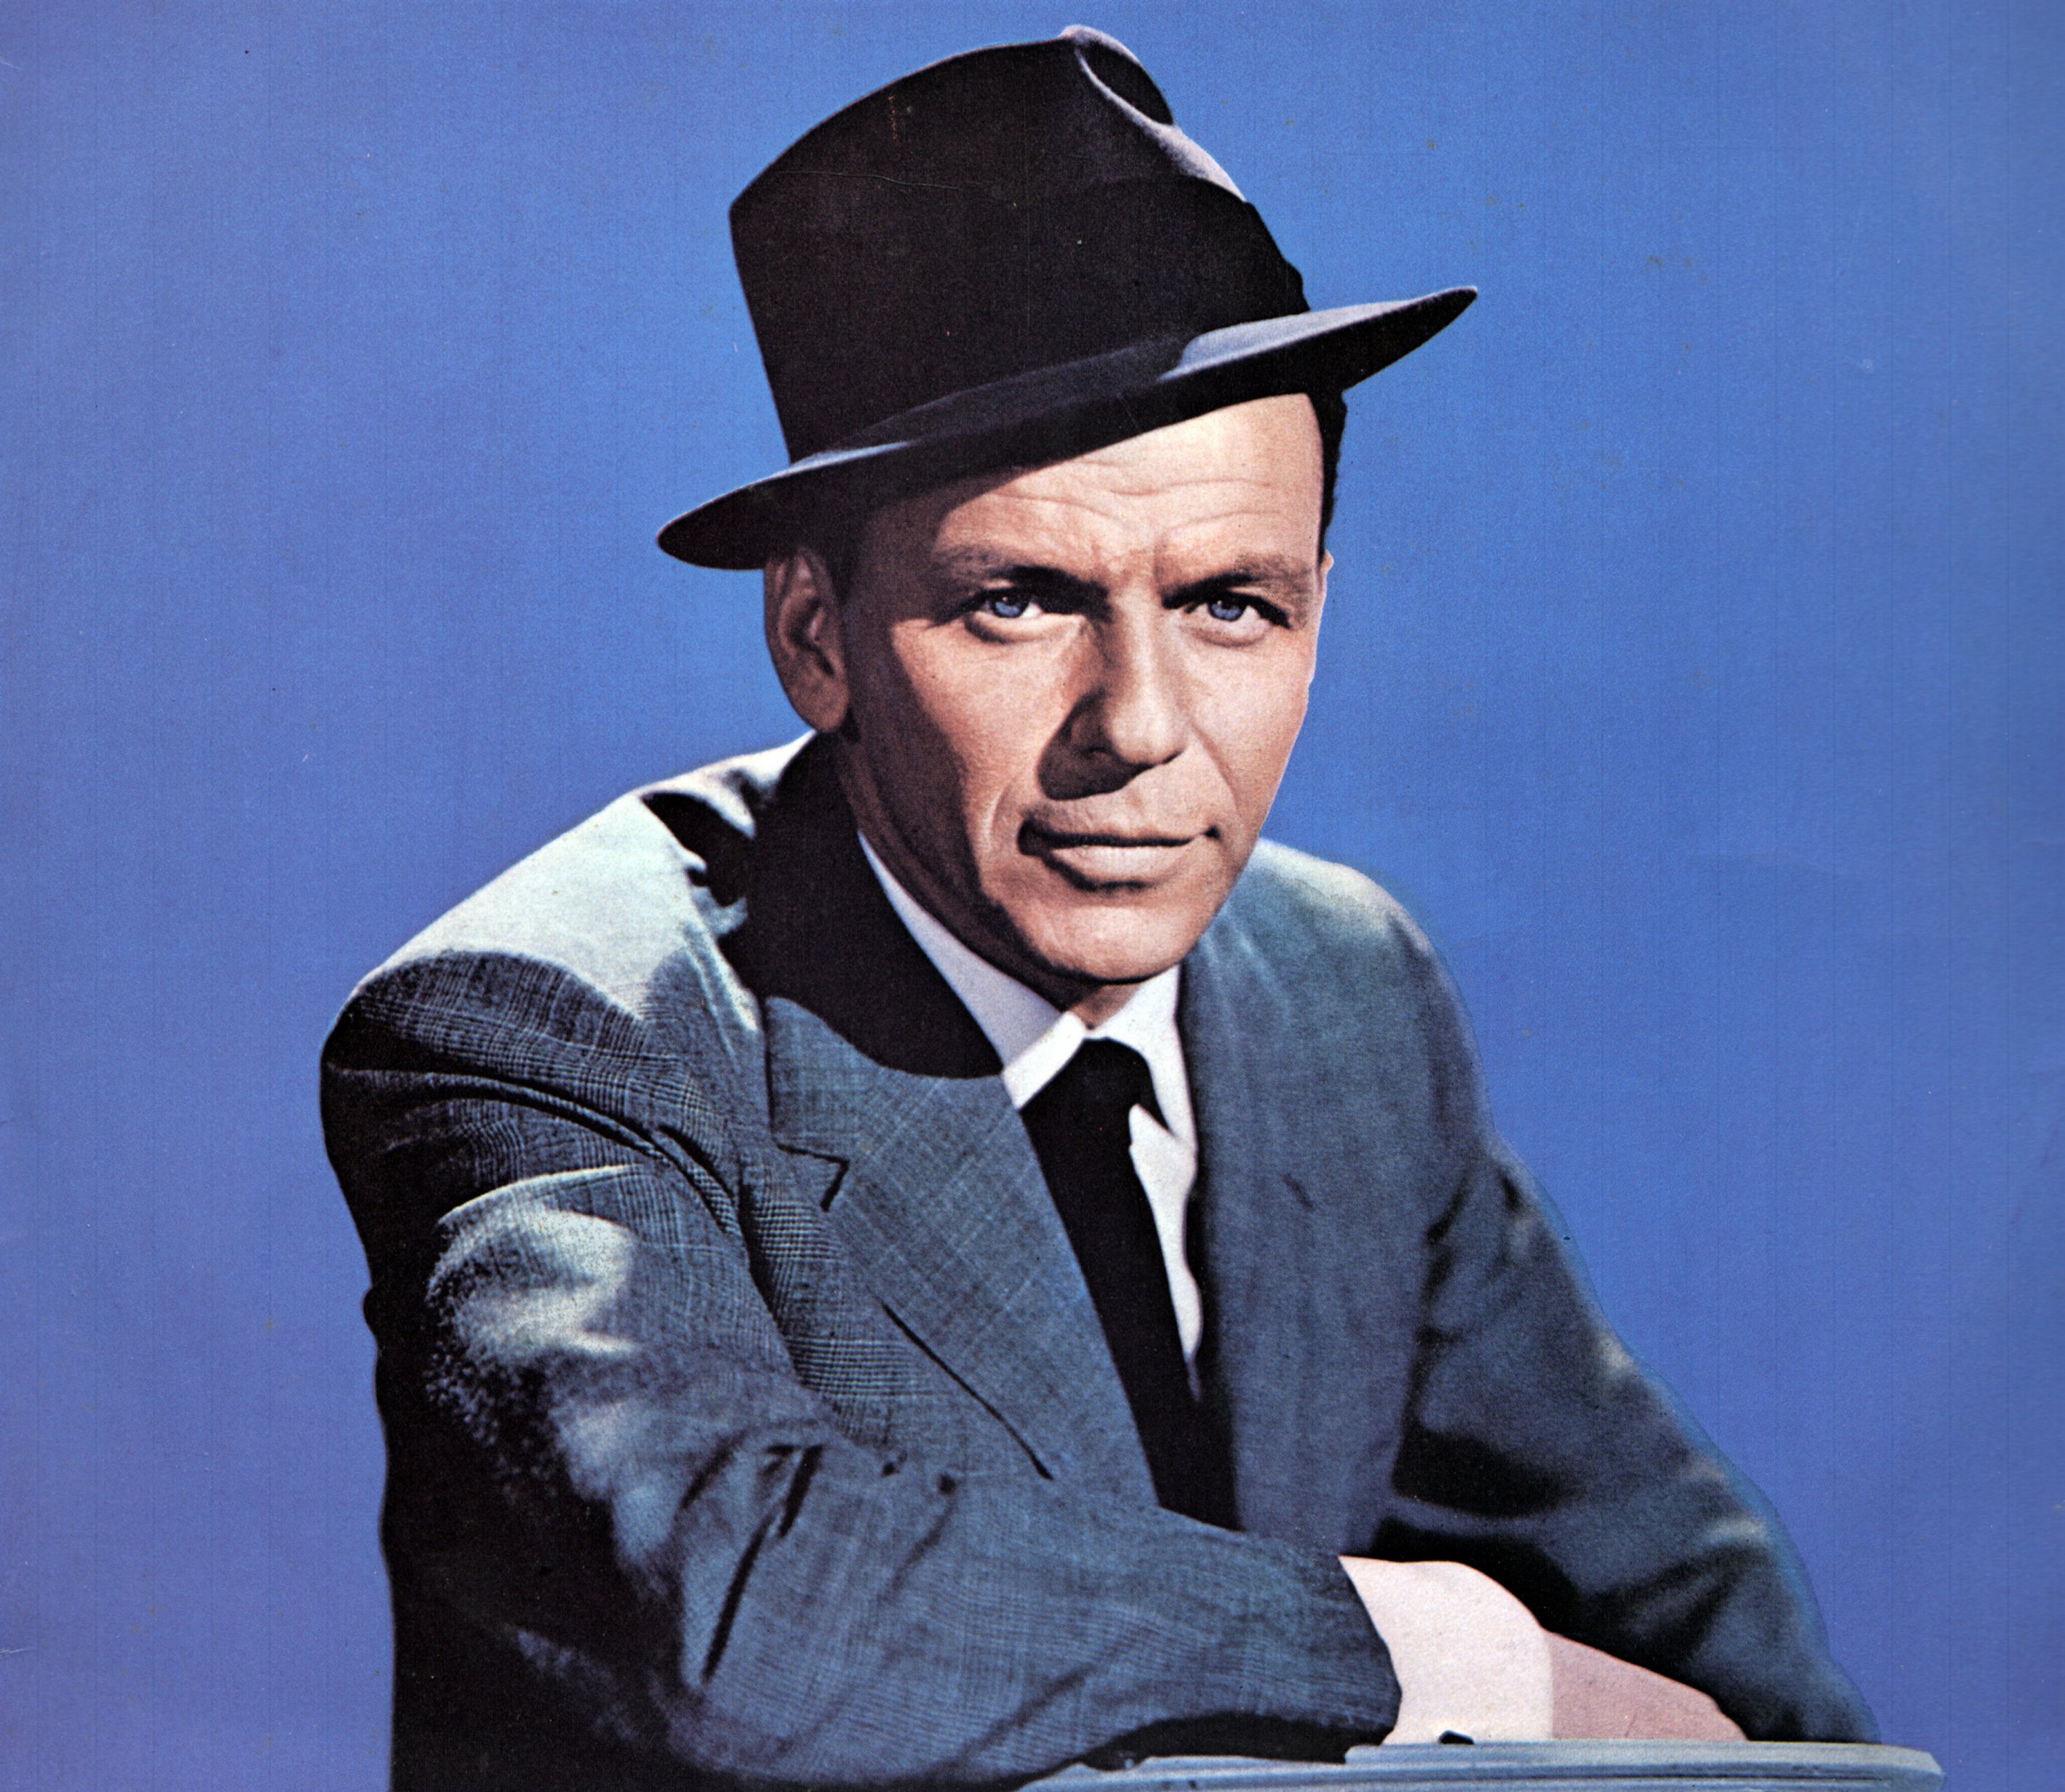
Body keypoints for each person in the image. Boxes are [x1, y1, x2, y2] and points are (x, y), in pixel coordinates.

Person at [321, 28, 1874, 1791]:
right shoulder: (547, 1022)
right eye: (1020, 601)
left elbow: (1676, 1596)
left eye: (1231, 606)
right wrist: (1434, 1654)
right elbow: (733, 1614)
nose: (1139, 727)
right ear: (814, 634)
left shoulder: (1337, 985)